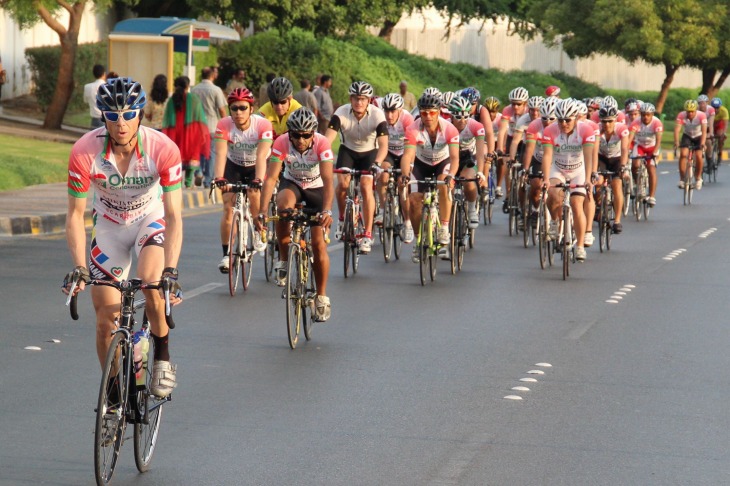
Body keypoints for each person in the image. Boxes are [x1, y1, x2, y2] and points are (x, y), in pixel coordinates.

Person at [63, 77, 183, 398]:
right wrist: (78, 266)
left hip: (149, 220)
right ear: (102, 116)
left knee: (151, 284)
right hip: (110, 227)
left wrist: (170, 270)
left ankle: (163, 359)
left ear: (140, 115)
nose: (121, 124)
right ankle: (115, 394)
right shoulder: (85, 151)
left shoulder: (163, 149)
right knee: (105, 321)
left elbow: (173, 216)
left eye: (129, 115)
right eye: (112, 116)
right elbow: (75, 215)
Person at [259, 108, 334, 322]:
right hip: (292, 183)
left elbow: (329, 180)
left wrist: (327, 210)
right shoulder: (282, 142)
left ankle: (321, 296)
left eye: (305, 135)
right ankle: (283, 260)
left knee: (319, 244)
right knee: (282, 209)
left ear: (313, 134)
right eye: (296, 134)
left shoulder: (322, 144)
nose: (300, 140)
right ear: (289, 133)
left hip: (316, 188)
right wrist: (263, 211)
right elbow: (271, 178)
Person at [325, 81, 389, 254]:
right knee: (343, 185)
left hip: (370, 153)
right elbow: (327, 140)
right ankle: (341, 219)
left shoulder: (377, 115)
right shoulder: (341, 113)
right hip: (348, 151)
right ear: (350, 99)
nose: (358, 102)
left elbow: (383, 145)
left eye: (362, 99)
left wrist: (377, 164)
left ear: (368, 100)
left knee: (366, 186)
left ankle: (367, 234)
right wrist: (323, 158)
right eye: (355, 98)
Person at [213, 88, 272, 272]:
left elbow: (262, 155)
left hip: (256, 164)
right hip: (234, 165)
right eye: (234, 108)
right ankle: (226, 254)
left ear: (251, 109)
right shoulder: (223, 125)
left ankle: (257, 229)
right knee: (228, 209)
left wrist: (259, 180)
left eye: (243, 108)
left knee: (254, 195)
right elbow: (221, 154)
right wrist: (219, 178)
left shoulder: (262, 125)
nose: (238, 112)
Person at [399, 91, 460, 263]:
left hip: (443, 162)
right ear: (419, 113)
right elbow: (407, 155)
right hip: (421, 164)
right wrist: (405, 175)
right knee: (414, 199)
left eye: (432, 112)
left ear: (439, 112)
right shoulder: (412, 128)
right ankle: (419, 241)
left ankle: (444, 227)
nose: (428, 116)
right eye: (424, 112)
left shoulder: (450, 128)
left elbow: (455, 158)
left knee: (444, 183)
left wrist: (452, 175)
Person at [541, 98, 595, 262]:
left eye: (567, 120)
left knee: (577, 204)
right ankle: (555, 222)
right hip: (558, 169)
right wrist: (545, 179)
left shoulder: (586, 130)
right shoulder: (550, 131)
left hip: (578, 170)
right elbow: (547, 155)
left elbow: (588, 156)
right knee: (552, 194)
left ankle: (579, 246)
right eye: (560, 120)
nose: (563, 123)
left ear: (576, 118)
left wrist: (587, 180)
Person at [378, 92, 415, 242]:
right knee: (383, 174)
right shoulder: (381, 119)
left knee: (402, 185)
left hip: (405, 153)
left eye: (393, 111)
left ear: (400, 110)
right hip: (389, 152)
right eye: (386, 111)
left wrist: (410, 166)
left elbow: (411, 148)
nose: (389, 115)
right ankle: (382, 210)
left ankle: (407, 223)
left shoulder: (407, 120)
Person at [162, 76, 210, 188]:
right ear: (188, 86)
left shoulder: (171, 100)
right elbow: (200, 118)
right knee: (191, 156)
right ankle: (188, 182)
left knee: (176, 157)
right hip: (191, 133)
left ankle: (176, 181)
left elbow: (167, 119)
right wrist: (203, 133)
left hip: (175, 133)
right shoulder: (194, 99)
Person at [448, 96, 487, 231]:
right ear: (451, 116)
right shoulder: (445, 125)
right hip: (450, 157)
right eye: (458, 117)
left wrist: (481, 172)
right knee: (447, 186)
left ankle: (471, 209)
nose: (463, 121)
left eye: (466, 116)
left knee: (468, 181)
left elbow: (481, 153)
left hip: (469, 157)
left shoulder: (476, 126)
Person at [191, 67, 227, 187]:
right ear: (212, 76)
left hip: (197, 126)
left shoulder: (194, 90)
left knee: (199, 151)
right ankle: (208, 180)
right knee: (211, 153)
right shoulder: (216, 90)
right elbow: (222, 109)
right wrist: (226, 124)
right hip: (212, 126)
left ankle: (199, 171)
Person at [596, 105, 629, 234]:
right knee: (598, 182)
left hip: (616, 159)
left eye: (610, 121)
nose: (607, 124)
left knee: (616, 185)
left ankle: (617, 220)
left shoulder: (622, 129)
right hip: (602, 158)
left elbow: (625, 149)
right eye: (604, 121)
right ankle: (599, 206)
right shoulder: (597, 130)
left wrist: (623, 166)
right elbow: (593, 150)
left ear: (615, 120)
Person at [627, 102, 662, 207]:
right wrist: (626, 150)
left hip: (652, 147)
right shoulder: (636, 123)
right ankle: (638, 185)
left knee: (651, 168)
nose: (645, 117)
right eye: (643, 115)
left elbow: (659, 140)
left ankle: (651, 196)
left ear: (652, 114)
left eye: (648, 115)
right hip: (640, 146)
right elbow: (629, 139)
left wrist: (655, 152)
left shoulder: (657, 123)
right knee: (635, 165)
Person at [674, 99, 707, 190]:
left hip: (698, 136)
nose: (690, 114)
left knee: (699, 156)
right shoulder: (681, 115)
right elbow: (677, 130)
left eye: (692, 112)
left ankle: (698, 178)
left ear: (696, 110)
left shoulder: (702, 115)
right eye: (688, 112)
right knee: (683, 154)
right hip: (687, 135)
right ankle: (682, 179)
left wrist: (703, 143)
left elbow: (704, 131)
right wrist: (676, 141)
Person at [83, 64, 106, 129]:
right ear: (104, 74)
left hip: (94, 120)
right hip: (106, 120)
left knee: (94, 139)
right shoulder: (108, 86)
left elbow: (85, 101)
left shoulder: (87, 87)